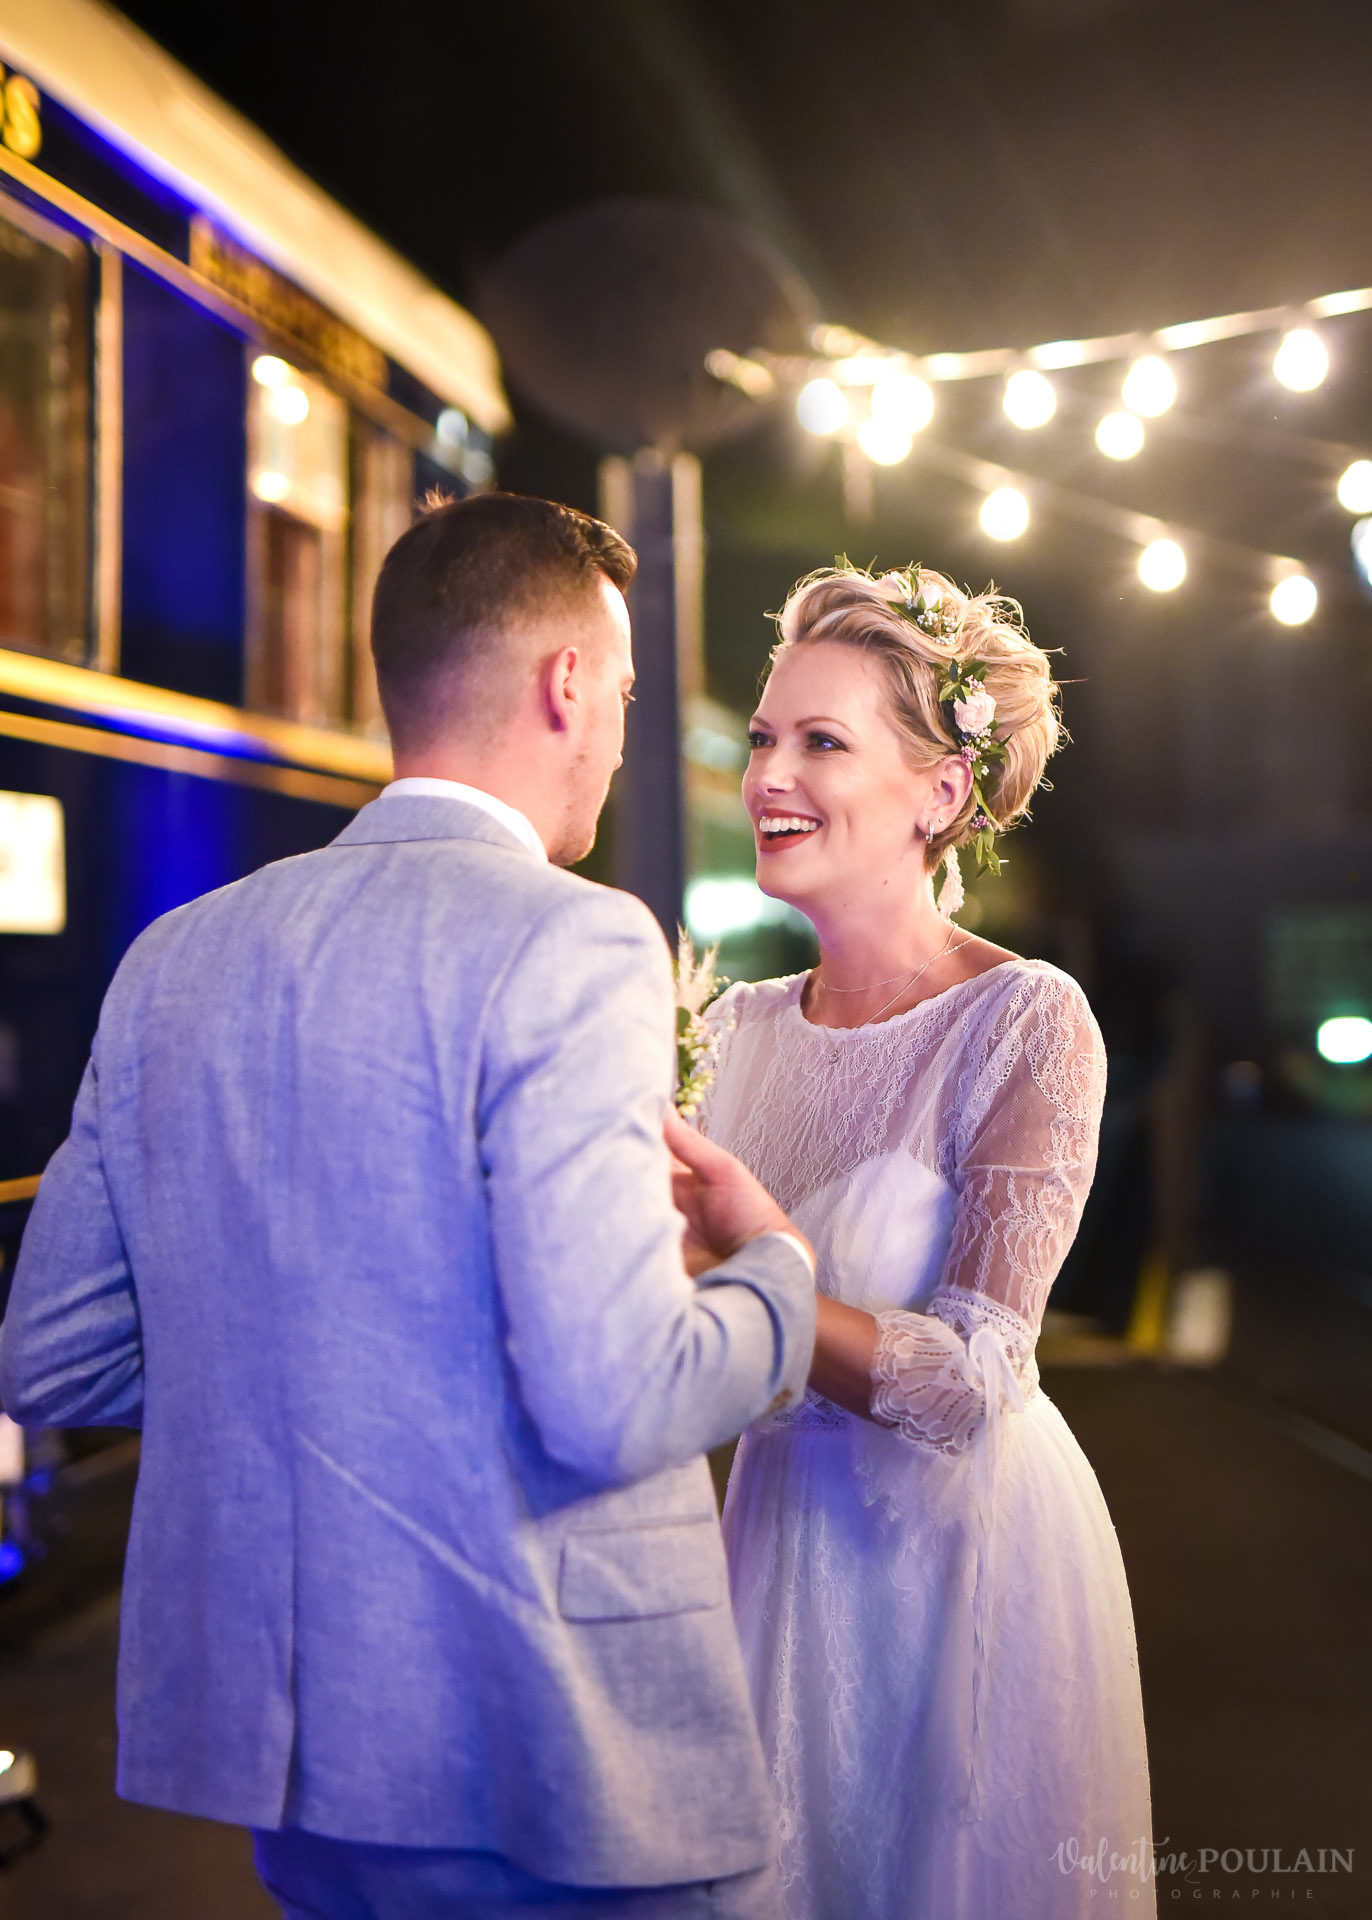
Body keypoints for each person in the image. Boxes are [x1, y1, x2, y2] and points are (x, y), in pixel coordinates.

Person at [0, 492, 818, 1920]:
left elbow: (50, 1356)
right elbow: (613, 1399)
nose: (621, 742)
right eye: (623, 696)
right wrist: (776, 1279)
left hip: (299, 1773)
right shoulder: (576, 942)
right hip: (556, 1764)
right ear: (567, 684)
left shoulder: (175, 957)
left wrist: (309, 1368)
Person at [698, 564, 1154, 1918]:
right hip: (776, 1538)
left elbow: (970, 1378)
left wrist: (764, 1261)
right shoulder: (728, 1031)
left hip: (955, 1567)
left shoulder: (1024, 1021)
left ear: (942, 793)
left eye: (820, 741)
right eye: (763, 738)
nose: (770, 772)